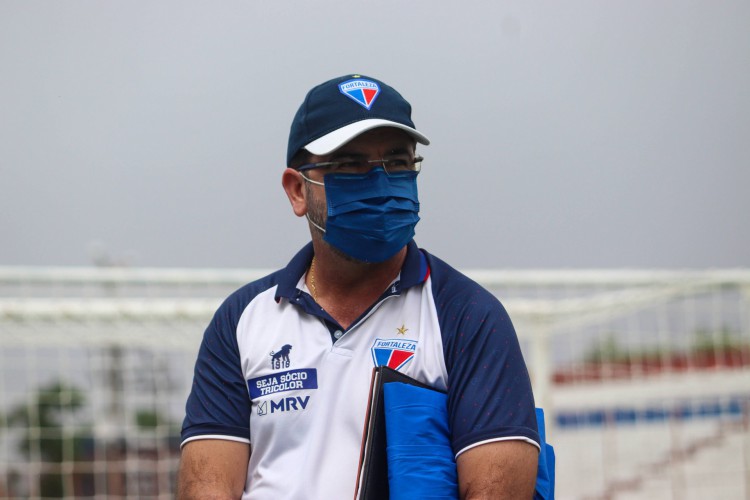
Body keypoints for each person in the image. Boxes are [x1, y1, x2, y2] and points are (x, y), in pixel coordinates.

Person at [177, 74, 540, 499]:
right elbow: (207, 489)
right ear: (297, 190)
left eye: (398, 163)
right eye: (350, 165)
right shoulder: (242, 320)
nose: (381, 184)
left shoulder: (468, 316)